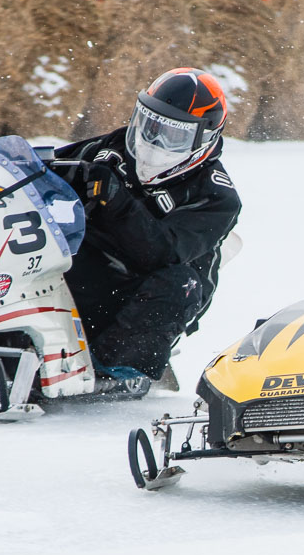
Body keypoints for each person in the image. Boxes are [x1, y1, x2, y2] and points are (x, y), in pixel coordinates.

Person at [52, 67, 241, 382]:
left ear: (204, 138)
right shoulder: (110, 149)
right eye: (150, 125)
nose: (154, 140)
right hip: (89, 268)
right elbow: (41, 169)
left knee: (179, 283)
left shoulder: (216, 196)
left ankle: (115, 367)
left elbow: (162, 253)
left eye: (173, 134)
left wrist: (115, 201)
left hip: (147, 294)